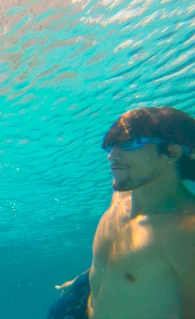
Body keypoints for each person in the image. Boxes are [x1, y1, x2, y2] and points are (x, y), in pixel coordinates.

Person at [48, 106, 195, 319]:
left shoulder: (184, 232)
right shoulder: (122, 196)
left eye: (129, 144)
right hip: (78, 304)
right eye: (111, 146)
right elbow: (124, 260)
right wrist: (83, 280)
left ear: (171, 152)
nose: (111, 156)